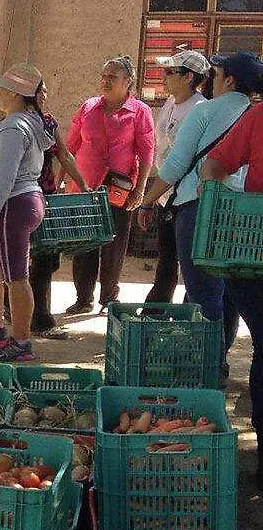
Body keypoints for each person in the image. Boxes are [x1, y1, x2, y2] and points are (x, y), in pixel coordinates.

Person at [141, 51, 257, 385]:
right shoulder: (253, 114)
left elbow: (176, 166)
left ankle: (207, 372)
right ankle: (218, 360)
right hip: (243, 215)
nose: (211, 79)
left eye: (216, 73)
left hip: (200, 211)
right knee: (228, 293)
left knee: (203, 294)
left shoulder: (205, 111)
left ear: (229, 80)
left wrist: (147, 202)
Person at [200, 64, 263, 486]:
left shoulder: (257, 116)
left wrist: (219, 200)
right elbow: (215, 165)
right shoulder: (256, 117)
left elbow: (213, 168)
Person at [0, 63, 55, 363]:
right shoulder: (30, 123)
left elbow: (4, 177)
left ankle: (21, 342)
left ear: (17, 94)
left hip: (11, 206)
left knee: (16, 276)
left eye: (4, 89)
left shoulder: (13, 128)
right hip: (23, 201)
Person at [64, 56, 155, 316]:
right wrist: (62, 178)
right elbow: (71, 146)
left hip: (119, 190)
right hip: (84, 186)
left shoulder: (140, 112)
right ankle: (83, 297)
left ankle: (108, 297)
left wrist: (140, 189)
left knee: (114, 244)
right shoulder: (88, 107)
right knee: (83, 243)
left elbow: (147, 152)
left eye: (112, 77)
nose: (105, 80)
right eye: (103, 76)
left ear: (128, 83)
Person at [2, 86, 90, 340]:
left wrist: (83, 185)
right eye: (35, 93)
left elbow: (63, 154)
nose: (40, 98)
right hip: (18, 199)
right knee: (19, 259)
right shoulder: (11, 125)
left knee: (45, 258)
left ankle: (37, 315)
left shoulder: (48, 123)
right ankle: (29, 315)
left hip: (44, 200)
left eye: (43, 93)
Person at [142, 49, 209, 305]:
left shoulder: (201, 110)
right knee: (166, 257)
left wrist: (147, 199)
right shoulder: (169, 104)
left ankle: (188, 311)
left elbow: (180, 160)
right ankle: (157, 310)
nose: (164, 76)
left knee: (190, 263)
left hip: (187, 197)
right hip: (165, 194)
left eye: (170, 72)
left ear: (189, 77)